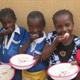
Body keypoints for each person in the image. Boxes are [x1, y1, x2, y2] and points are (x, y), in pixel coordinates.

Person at [39, 9, 80, 80]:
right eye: (59, 27)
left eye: (67, 25)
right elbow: (44, 56)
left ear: (73, 24)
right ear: (55, 27)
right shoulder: (51, 37)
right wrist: (55, 42)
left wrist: (77, 63)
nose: (64, 29)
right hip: (53, 77)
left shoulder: (78, 41)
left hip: (71, 77)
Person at [0, 8, 30, 80]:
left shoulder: (23, 32)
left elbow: (22, 51)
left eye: (9, 22)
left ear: (15, 19)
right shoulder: (1, 32)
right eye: (4, 23)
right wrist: (1, 35)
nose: (7, 26)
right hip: (2, 68)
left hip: (16, 69)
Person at [20, 11, 48, 80]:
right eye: (31, 27)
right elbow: (20, 52)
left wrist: (40, 56)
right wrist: (29, 41)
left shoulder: (46, 40)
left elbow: (46, 56)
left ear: (44, 25)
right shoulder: (27, 35)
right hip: (26, 72)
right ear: (28, 26)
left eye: (38, 27)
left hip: (40, 73)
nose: (35, 30)